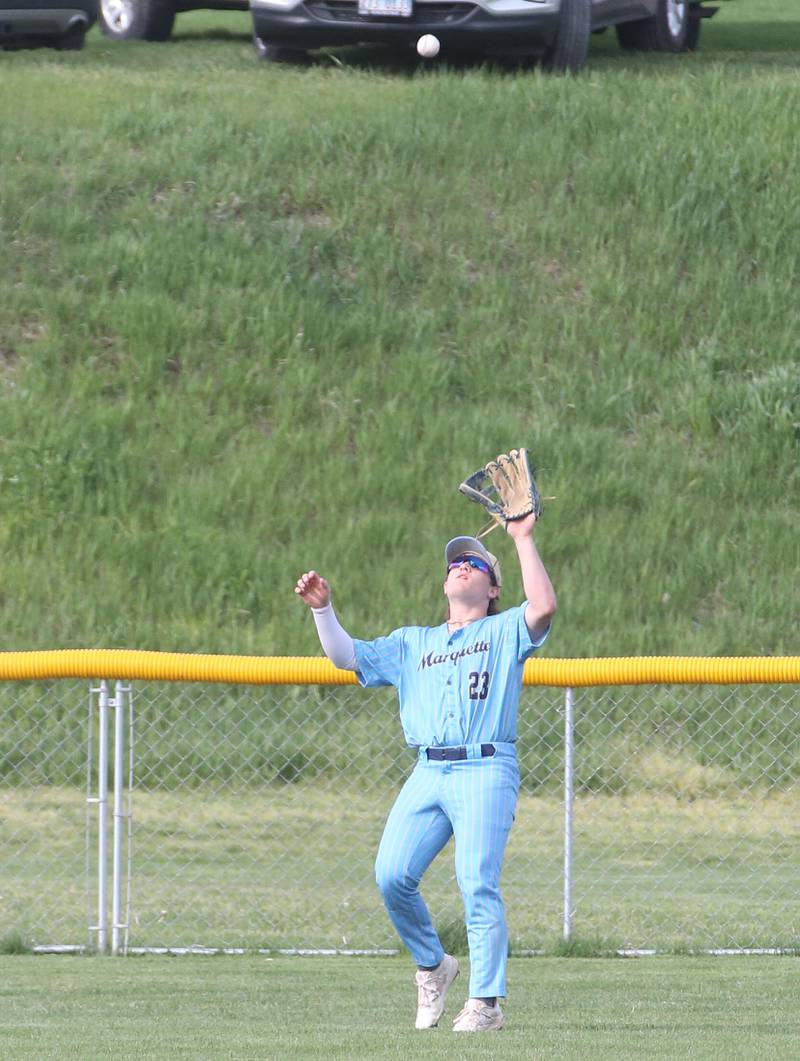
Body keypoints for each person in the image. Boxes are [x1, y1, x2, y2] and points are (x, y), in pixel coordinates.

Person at [294, 512, 556, 1033]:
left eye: (474, 562)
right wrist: (324, 611)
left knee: (476, 881)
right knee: (392, 875)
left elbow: (544, 606)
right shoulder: (413, 642)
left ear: (493, 586)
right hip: (428, 771)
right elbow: (346, 656)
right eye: (455, 562)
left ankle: (486, 1003)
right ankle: (434, 966)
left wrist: (522, 538)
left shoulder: (505, 630)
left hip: (486, 766)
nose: (461, 565)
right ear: (444, 582)